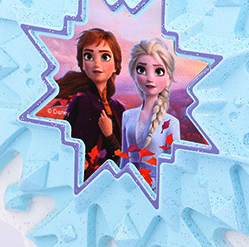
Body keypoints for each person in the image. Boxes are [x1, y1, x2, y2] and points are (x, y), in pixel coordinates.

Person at [57, 28, 124, 181]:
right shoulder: (83, 100)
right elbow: (74, 148)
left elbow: (121, 154)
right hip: (85, 179)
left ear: (116, 65)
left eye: (105, 57)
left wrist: (109, 134)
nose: (96, 63)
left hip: (110, 179)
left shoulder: (118, 108)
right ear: (82, 63)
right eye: (88, 56)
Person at [121, 39, 181, 187]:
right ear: (134, 74)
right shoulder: (127, 116)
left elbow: (174, 165)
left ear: (168, 79)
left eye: (158, 71)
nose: (150, 78)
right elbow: (124, 158)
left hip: (156, 187)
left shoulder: (171, 123)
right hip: (129, 185)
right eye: (141, 70)